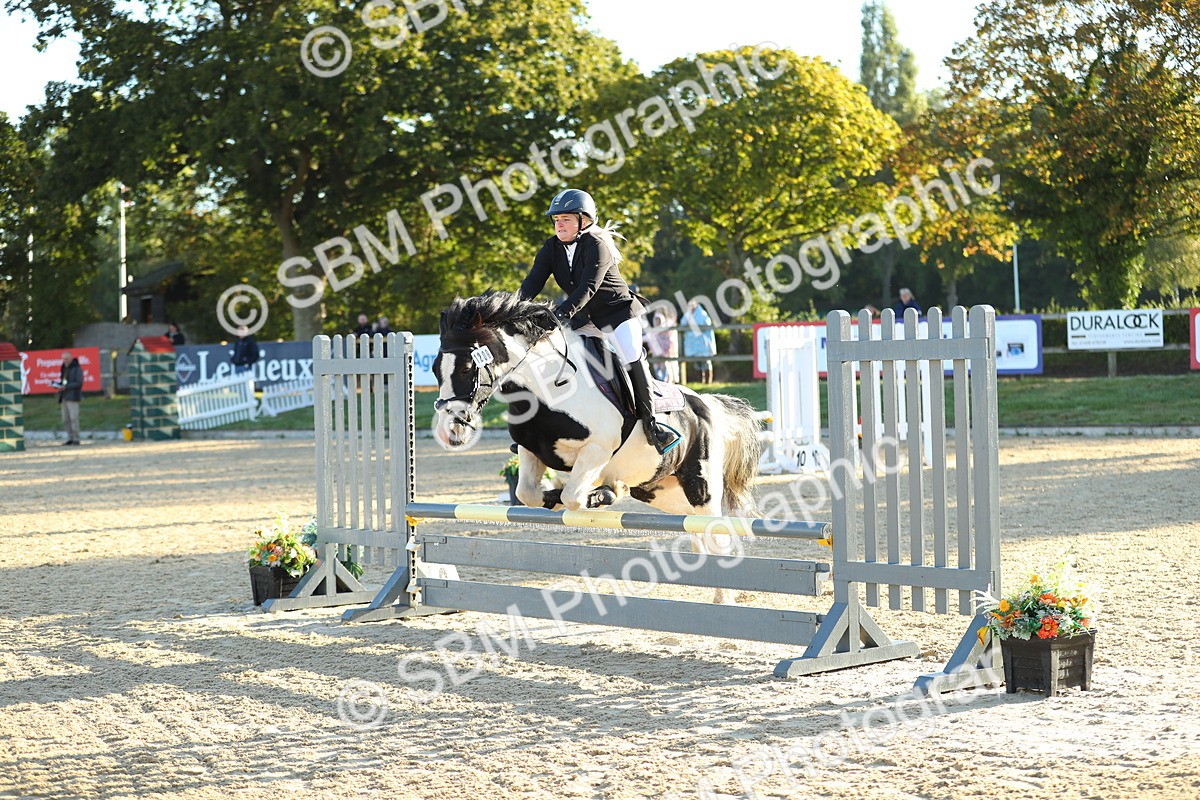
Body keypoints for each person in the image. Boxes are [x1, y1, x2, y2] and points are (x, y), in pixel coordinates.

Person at [518, 188, 680, 454]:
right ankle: (541, 427)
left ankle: (652, 425)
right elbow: (532, 282)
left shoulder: (596, 245)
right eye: (556, 219)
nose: (559, 224)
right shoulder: (551, 247)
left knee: (630, 356)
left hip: (617, 314)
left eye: (566, 219)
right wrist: (513, 308)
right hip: (584, 317)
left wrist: (559, 315)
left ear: (584, 221)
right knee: (553, 356)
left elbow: (588, 288)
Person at [681, 299, 717, 385]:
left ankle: (708, 381)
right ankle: (699, 381)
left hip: (703, 342)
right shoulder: (688, 314)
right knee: (696, 363)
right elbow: (683, 323)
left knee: (706, 362)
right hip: (694, 343)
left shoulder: (702, 314)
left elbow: (706, 324)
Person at [55, 351, 84, 445]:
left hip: (73, 396)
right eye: (63, 359)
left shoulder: (77, 368)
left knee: (73, 418)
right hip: (64, 396)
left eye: (67, 358)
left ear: (71, 358)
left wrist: (66, 386)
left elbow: (79, 382)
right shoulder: (64, 368)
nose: (65, 360)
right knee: (65, 419)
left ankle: (76, 438)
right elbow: (63, 381)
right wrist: (58, 385)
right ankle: (70, 437)